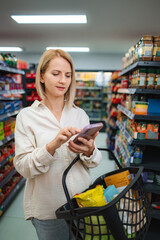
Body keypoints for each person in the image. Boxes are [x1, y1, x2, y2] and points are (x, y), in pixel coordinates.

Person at [13, 49, 102, 240]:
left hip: (82, 203)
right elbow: (23, 167)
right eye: (56, 74)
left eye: (68, 75)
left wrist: (90, 151)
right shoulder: (27, 117)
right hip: (48, 210)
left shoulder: (79, 114)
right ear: (42, 76)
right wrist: (52, 146)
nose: (63, 80)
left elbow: (94, 161)